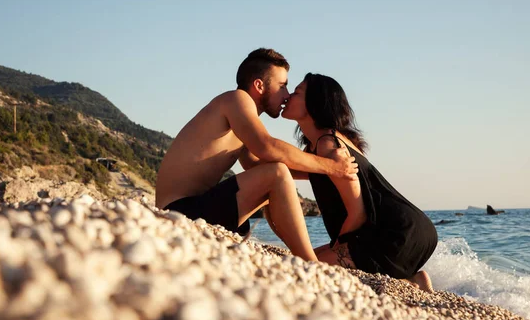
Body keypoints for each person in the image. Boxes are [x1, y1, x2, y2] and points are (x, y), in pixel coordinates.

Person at [156, 49, 358, 261]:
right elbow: (267, 147)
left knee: (274, 172)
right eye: (282, 86)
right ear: (259, 85)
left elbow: (256, 164)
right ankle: (310, 262)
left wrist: (319, 173)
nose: (287, 95)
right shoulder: (237, 99)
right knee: (277, 173)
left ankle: (297, 254)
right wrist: (330, 166)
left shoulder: (242, 117)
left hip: (194, 210)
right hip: (178, 212)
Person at [281, 73, 437, 291]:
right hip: (411, 230)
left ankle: (408, 281)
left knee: (304, 268)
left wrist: (337, 248)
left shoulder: (328, 144)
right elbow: (284, 169)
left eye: (296, 92)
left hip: (395, 233)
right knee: (303, 260)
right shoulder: (324, 144)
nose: (288, 96)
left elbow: (358, 213)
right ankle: (411, 281)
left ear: (315, 102)